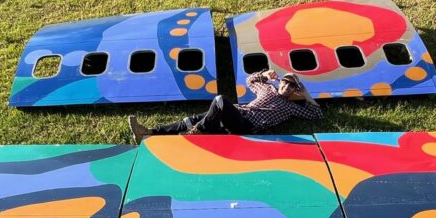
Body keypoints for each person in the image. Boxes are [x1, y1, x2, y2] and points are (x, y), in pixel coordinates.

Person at [128, 70, 322, 142]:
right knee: (190, 120)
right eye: (285, 82)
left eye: (291, 86)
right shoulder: (268, 89)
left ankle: (200, 131)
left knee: (220, 100)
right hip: (236, 113)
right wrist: (265, 75)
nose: (286, 86)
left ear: (294, 90)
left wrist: (304, 93)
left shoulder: (290, 106)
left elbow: (316, 114)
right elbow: (250, 80)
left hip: (246, 126)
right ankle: (148, 133)